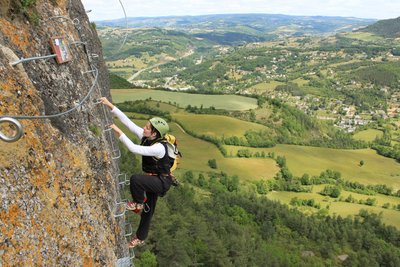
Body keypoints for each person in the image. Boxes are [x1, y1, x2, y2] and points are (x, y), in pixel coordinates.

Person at [100, 97, 174, 248]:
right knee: (149, 211)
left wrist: (119, 132)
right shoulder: (149, 137)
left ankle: (138, 203)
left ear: (154, 134)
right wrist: (110, 106)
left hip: (161, 182)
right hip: (154, 179)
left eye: (148, 127)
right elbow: (128, 122)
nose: (144, 128)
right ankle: (140, 237)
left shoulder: (159, 147)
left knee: (135, 180)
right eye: (146, 126)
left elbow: (133, 148)